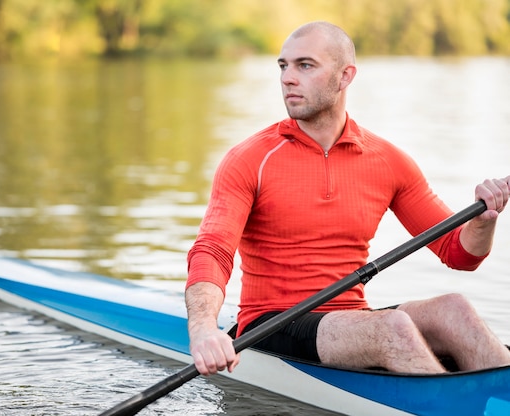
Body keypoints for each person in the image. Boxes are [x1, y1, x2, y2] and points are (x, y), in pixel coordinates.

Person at [184, 21, 510, 376]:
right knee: (394, 328)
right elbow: (212, 251)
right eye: (283, 66)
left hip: (349, 320)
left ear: (345, 76)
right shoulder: (250, 159)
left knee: (455, 309)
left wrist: (482, 222)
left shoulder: (387, 160)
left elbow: (459, 254)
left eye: (304, 65)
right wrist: (203, 330)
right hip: (271, 323)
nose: (287, 78)